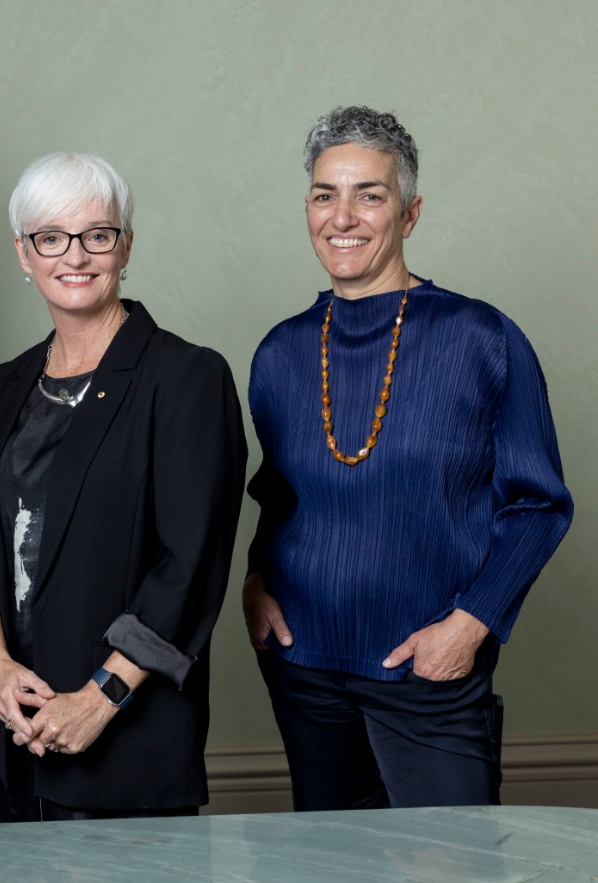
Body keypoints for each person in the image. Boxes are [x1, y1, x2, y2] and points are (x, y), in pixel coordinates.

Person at [243, 106, 573, 810]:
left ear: (410, 212)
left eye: (370, 194)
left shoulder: (481, 338)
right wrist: (254, 580)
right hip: (305, 668)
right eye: (326, 194)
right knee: (333, 869)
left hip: (430, 670)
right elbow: (279, 495)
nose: (344, 216)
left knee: (448, 863)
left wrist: (470, 625)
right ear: (308, 207)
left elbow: (540, 503)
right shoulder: (279, 352)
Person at [0, 153, 246, 821]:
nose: (74, 255)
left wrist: (101, 696)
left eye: (97, 235)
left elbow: (188, 565)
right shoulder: (6, 384)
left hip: (125, 739)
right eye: (50, 237)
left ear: (125, 246)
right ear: (24, 254)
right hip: (21, 730)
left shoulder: (186, 377)